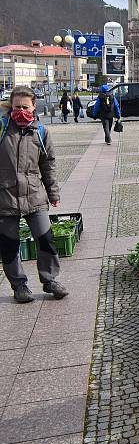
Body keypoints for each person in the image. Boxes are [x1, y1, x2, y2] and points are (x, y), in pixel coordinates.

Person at [0, 86, 68, 303]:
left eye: (25, 107)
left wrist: (53, 192)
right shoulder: (2, 128)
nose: (21, 110)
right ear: (11, 106)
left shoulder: (40, 131)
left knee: (46, 239)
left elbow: (48, 165)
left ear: (33, 107)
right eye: (17, 106)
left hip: (34, 196)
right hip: (5, 197)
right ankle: (20, 286)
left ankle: (50, 281)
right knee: (9, 246)